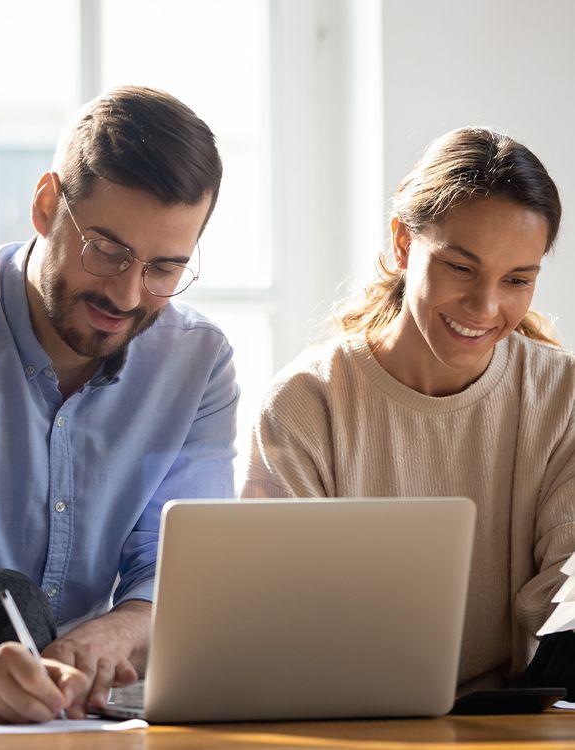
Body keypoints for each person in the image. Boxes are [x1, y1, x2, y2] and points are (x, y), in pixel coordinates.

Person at [241, 126, 575, 697]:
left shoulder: (561, 396)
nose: (485, 307)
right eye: (461, 268)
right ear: (402, 243)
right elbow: (279, 618)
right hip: (344, 715)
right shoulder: (306, 404)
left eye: (517, 280)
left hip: (515, 722)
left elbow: (564, 608)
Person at [0, 85, 239, 722]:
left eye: (165, 268)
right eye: (108, 250)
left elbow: (178, 571)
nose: (127, 293)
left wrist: (117, 633)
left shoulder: (197, 365)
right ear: (44, 205)